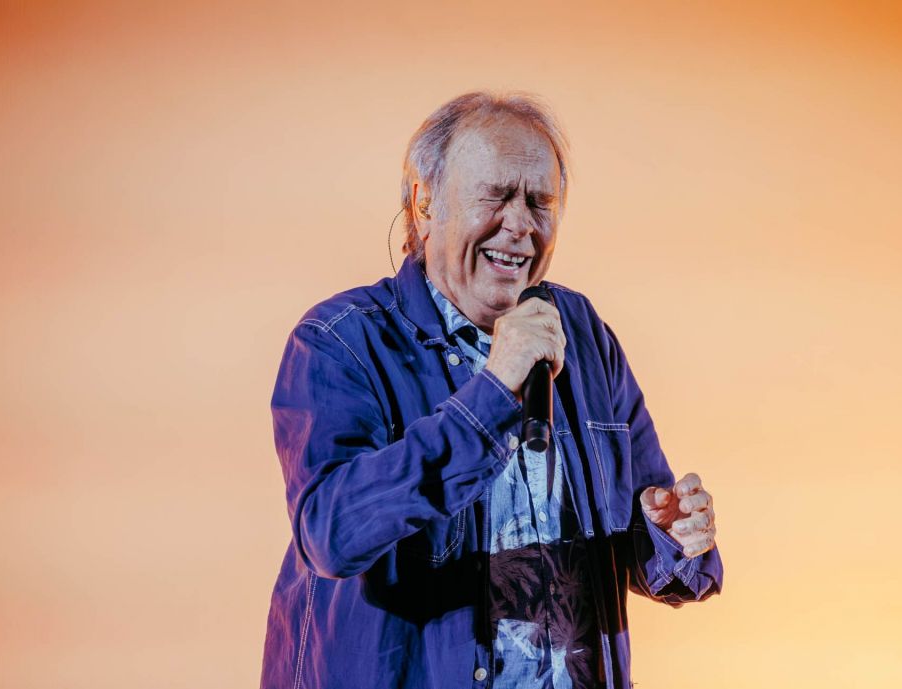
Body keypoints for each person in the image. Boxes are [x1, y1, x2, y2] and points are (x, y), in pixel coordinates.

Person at [260, 91, 723, 689]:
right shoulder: (339, 342)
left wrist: (673, 533)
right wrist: (493, 390)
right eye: (497, 195)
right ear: (426, 204)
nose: (521, 225)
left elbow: (648, 536)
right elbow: (331, 534)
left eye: (540, 201)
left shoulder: (580, 334)